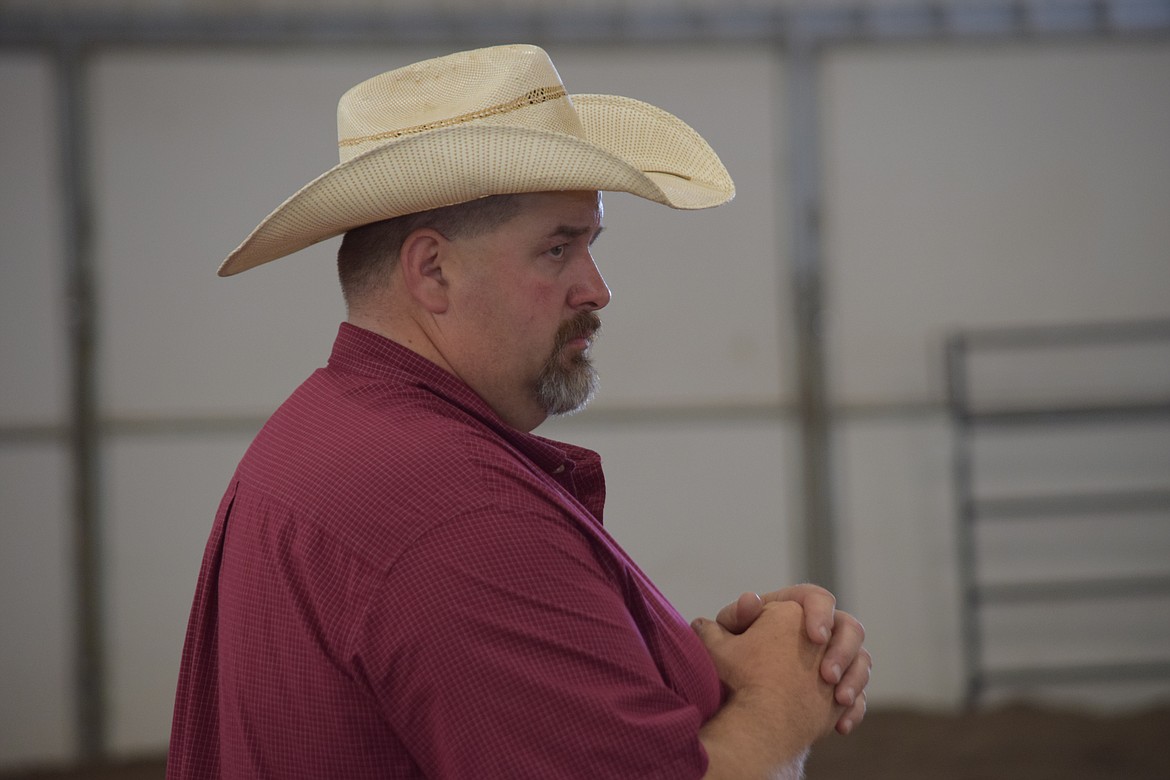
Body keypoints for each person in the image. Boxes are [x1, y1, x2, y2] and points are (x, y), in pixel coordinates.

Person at [168, 44, 870, 779]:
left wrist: (693, 665)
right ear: (433, 271)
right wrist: (784, 699)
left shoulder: (326, 433)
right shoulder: (455, 511)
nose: (597, 290)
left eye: (589, 245)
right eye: (558, 249)